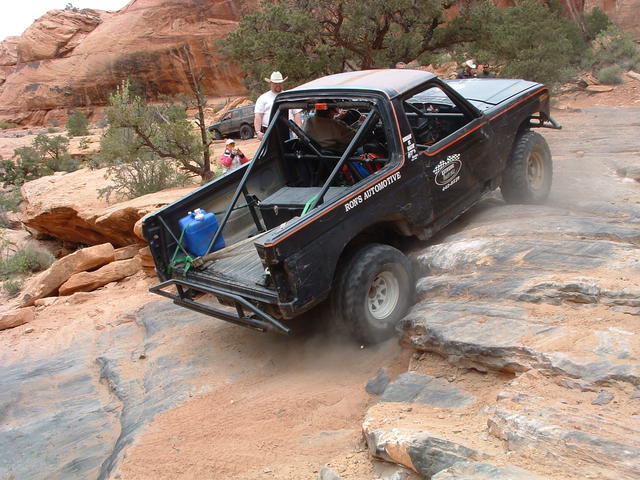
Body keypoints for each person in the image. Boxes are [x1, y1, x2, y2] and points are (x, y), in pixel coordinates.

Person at [254, 71, 301, 140]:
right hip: (269, 131)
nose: (278, 85)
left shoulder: (289, 96)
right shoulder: (263, 98)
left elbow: (296, 114)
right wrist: (258, 131)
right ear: (270, 83)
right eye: (275, 83)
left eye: (280, 83)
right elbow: (258, 115)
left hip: (288, 130)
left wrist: (298, 131)